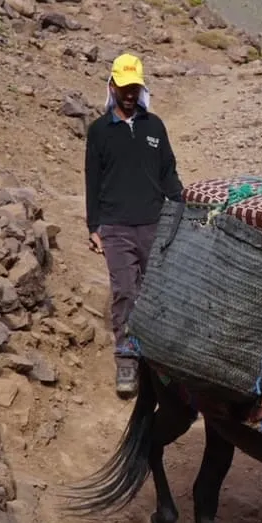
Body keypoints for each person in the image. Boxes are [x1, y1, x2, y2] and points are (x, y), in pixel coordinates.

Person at [84, 53, 184, 398]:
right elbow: (92, 179)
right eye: (124, 87)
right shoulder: (99, 131)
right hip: (115, 226)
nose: (129, 93)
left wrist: (184, 205)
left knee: (155, 290)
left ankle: (156, 357)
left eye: (135, 88)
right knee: (126, 289)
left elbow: (168, 172)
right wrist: (93, 224)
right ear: (112, 86)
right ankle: (127, 357)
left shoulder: (154, 126)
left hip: (153, 223)